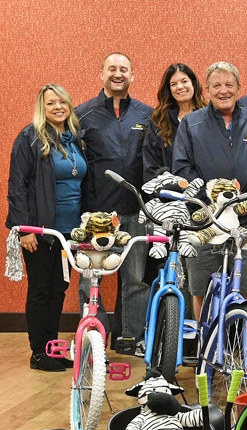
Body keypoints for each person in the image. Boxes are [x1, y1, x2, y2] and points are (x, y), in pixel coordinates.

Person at [172, 62, 247, 317]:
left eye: (229, 85)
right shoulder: (191, 124)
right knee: (202, 290)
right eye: (216, 85)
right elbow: (183, 169)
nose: (223, 91)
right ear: (207, 90)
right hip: (205, 221)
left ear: (239, 88)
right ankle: (207, 350)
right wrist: (211, 202)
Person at [6, 84, 89, 371]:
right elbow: (17, 187)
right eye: (51, 103)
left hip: (68, 232)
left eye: (62, 102)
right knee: (40, 290)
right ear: (43, 107)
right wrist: (24, 228)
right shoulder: (30, 138)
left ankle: (52, 349)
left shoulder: (75, 140)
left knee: (59, 289)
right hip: (40, 231)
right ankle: (38, 353)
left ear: (69, 105)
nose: (57, 107)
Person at [76, 53, 153, 354]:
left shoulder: (147, 115)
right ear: (101, 74)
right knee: (90, 280)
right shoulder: (82, 114)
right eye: (112, 69)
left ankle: (130, 338)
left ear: (133, 76)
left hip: (136, 211)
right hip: (96, 215)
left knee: (135, 280)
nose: (117, 74)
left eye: (124, 70)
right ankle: (92, 337)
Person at [143, 63, 206, 182]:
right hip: (170, 196)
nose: (180, 87)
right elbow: (151, 166)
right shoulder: (159, 123)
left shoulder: (209, 117)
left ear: (193, 83)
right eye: (174, 84)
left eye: (184, 81)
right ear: (169, 89)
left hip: (204, 195)